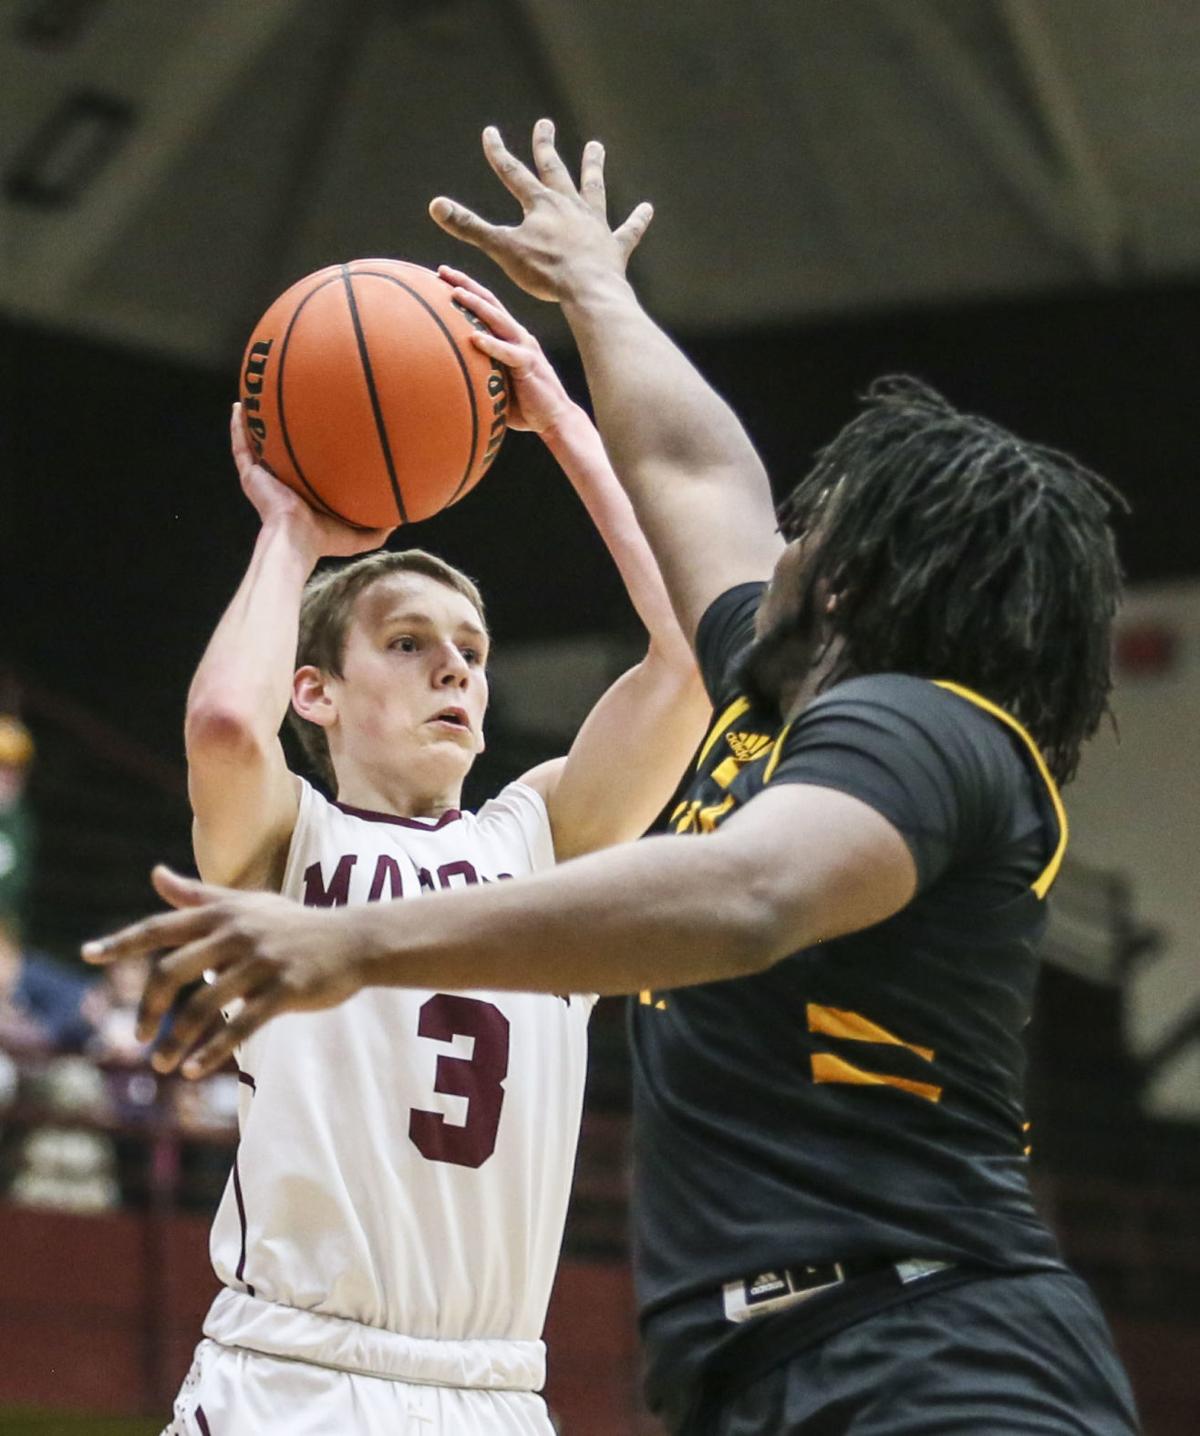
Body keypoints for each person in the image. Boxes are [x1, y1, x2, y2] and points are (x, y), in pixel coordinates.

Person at [88, 124, 1141, 1435]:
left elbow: (751, 893)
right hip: (738, 1361)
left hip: (920, 1348)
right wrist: (585, 311)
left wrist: (350, 943)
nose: (786, 530)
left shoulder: (924, 736)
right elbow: (700, 477)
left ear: (876, 578)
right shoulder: (783, 682)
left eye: (821, 523)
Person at [105, 267, 708, 1436]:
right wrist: (289, 532)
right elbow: (227, 724)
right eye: (409, 641)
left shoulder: (542, 839)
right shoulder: (288, 840)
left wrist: (565, 423)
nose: (455, 669)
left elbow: (689, 648)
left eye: (473, 650)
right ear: (316, 691)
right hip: (289, 1375)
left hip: (489, 1385)